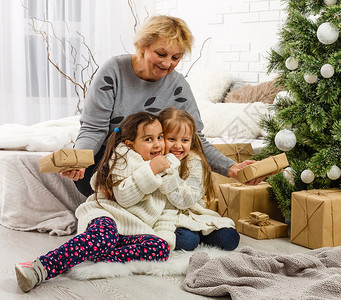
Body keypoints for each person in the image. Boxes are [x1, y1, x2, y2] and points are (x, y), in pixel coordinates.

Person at [62, 15, 261, 197]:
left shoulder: (177, 85)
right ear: (143, 46)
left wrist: (231, 167)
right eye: (161, 54)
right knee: (91, 181)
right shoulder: (114, 70)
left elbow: (195, 138)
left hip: (148, 160)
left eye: (176, 58)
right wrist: (79, 159)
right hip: (109, 157)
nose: (167, 64)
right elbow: (93, 128)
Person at [15, 112, 173, 293]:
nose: (158, 144)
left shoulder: (163, 166)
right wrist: (150, 171)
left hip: (132, 227)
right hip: (106, 215)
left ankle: (85, 255)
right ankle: (40, 268)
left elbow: (164, 207)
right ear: (130, 144)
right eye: (148, 139)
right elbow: (124, 197)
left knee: (160, 248)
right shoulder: (122, 158)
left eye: (160, 137)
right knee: (105, 236)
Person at [156, 107, 239, 251]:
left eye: (185, 140)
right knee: (187, 240)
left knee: (229, 238)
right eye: (171, 139)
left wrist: (169, 173)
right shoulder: (155, 161)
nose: (178, 145)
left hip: (192, 211)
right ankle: (193, 235)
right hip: (168, 217)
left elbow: (186, 200)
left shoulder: (194, 161)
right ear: (160, 137)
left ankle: (199, 232)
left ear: (192, 139)